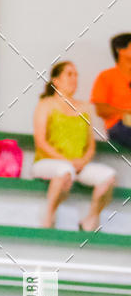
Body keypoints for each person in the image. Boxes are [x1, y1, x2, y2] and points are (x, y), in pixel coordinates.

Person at [32, 61, 116, 231]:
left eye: (76, 75)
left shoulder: (84, 108)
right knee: (64, 171)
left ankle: (90, 219)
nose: (74, 78)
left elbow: (90, 145)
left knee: (108, 176)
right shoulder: (46, 104)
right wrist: (67, 161)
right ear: (56, 80)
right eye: (69, 74)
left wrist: (83, 161)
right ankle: (48, 217)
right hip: (48, 162)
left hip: (78, 165)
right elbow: (41, 142)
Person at [91, 33, 131, 150]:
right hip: (120, 126)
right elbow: (101, 109)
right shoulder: (106, 76)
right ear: (120, 50)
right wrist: (126, 112)